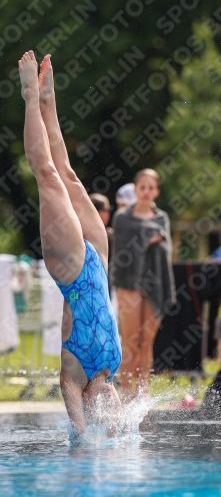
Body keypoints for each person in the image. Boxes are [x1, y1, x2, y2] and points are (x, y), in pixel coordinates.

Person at [18, 50, 122, 436]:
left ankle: (29, 95)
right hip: (100, 261)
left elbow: (81, 435)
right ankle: (48, 102)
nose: (113, 407)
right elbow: (120, 426)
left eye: (107, 413)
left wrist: (84, 435)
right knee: (70, 176)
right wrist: (119, 431)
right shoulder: (112, 365)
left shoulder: (72, 376)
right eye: (116, 408)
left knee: (47, 174)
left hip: (72, 271)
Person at [110, 169, 175, 399]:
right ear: (136, 189)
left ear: (156, 191)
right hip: (129, 282)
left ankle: (142, 389)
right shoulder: (122, 218)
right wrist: (150, 237)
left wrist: (155, 239)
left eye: (151, 187)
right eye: (142, 187)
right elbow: (122, 251)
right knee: (130, 340)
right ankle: (125, 390)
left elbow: (166, 250)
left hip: (155, 283)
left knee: (147, 342)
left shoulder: (162, 218)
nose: (146, 192)